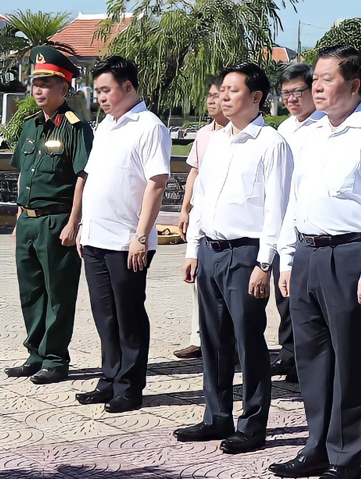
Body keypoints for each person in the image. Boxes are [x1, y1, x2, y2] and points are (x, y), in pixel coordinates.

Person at [271, 46, 361, 479]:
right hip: (307, 253)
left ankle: (346, 456)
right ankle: (316, 445)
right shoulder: (308, 136)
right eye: (316, 80)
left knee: (351, 360)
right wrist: (287, 259)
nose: (318, 87)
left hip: (350, 255)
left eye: (327, 79)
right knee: (312, 359)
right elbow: (294, 202)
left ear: (355, 85)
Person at [177, 63, 293, 454]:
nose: (223, 97)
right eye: (221, 90)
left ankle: (252, 422)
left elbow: (277, 209)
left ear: (256, 97)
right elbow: (202, 199)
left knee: (248, 340)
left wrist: (265, 263)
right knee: (213, 340)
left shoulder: (271, 143)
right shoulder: (217, 141)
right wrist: (193, 249)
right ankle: (216, 416)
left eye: (232, 90)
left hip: (246, 253)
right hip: (211, 249)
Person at [73, 56, 172, 413]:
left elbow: (156, 183)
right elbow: (94, 179)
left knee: (128, 315)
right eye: (97, 90)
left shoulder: (149, 126)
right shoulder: (105, 126)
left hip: (127, 241)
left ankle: (130, 386)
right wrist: (83, 226)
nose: (100, 96)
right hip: (97, 238)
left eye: (106, 89)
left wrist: (141, 236)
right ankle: (109, 378)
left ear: (127, 87)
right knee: (104, 315)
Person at [5, 47, 93, 385]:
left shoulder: (75, 128)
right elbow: (22, 174)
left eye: (46, 83)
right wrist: (18, 218)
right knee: (31, 291)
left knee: (59, 293)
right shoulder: (29, 127)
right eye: (35, 83)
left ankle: (56, 359)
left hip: (57, 222)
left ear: (64, 88)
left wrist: (75, 222)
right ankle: (35, 354)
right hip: (28, 221)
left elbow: (83, 176)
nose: (38, 89)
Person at [271, 63, 322, 379]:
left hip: (311, 222)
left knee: (307, 299)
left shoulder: (323, 127)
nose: (291, 99)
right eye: (286, 93)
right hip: (283, 219)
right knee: (284, 293)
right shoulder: (284, 129)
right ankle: (288, 354)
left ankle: (308, 358)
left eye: (297, 92)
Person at [174, 80, 228, 361]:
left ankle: (227, 342)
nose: (211, 101)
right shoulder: (205, 134)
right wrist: (185, 208)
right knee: (198, 281)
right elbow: (193, 174)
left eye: (217, 96)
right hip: (201, 216)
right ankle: (198, 337)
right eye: (209, 96)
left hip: (227, 225)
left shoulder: (237, 135)